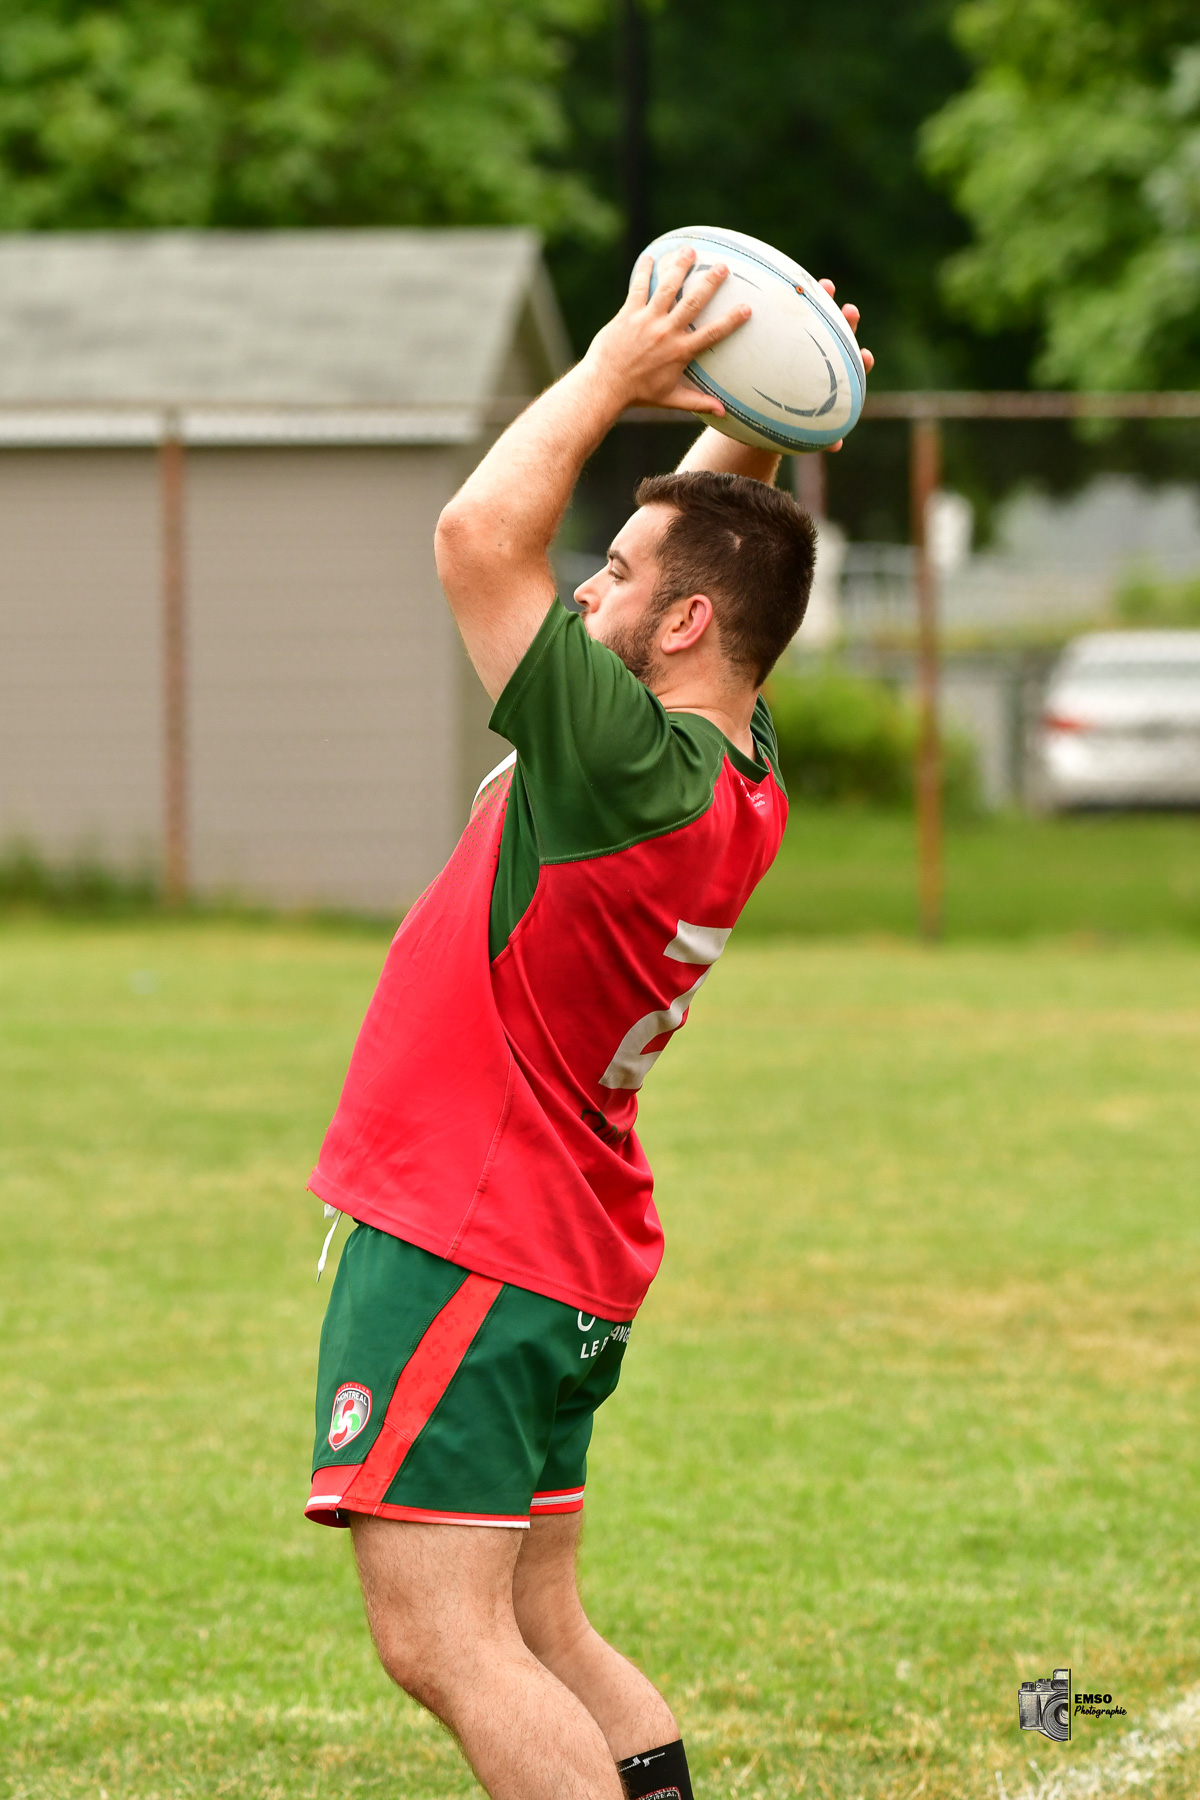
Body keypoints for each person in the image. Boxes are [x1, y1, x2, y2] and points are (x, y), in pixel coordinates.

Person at [305, 245, 873, 1800]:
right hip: (559, 1238)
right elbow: (702, 550)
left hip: (466, 1232)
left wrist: (618, 366)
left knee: (449, 1641)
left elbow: (475, 533)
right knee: (543, 1622)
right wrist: (766, 391)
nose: (584, 586)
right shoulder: (730, 759)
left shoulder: (619, 766)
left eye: (616, 577)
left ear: (684, 628)